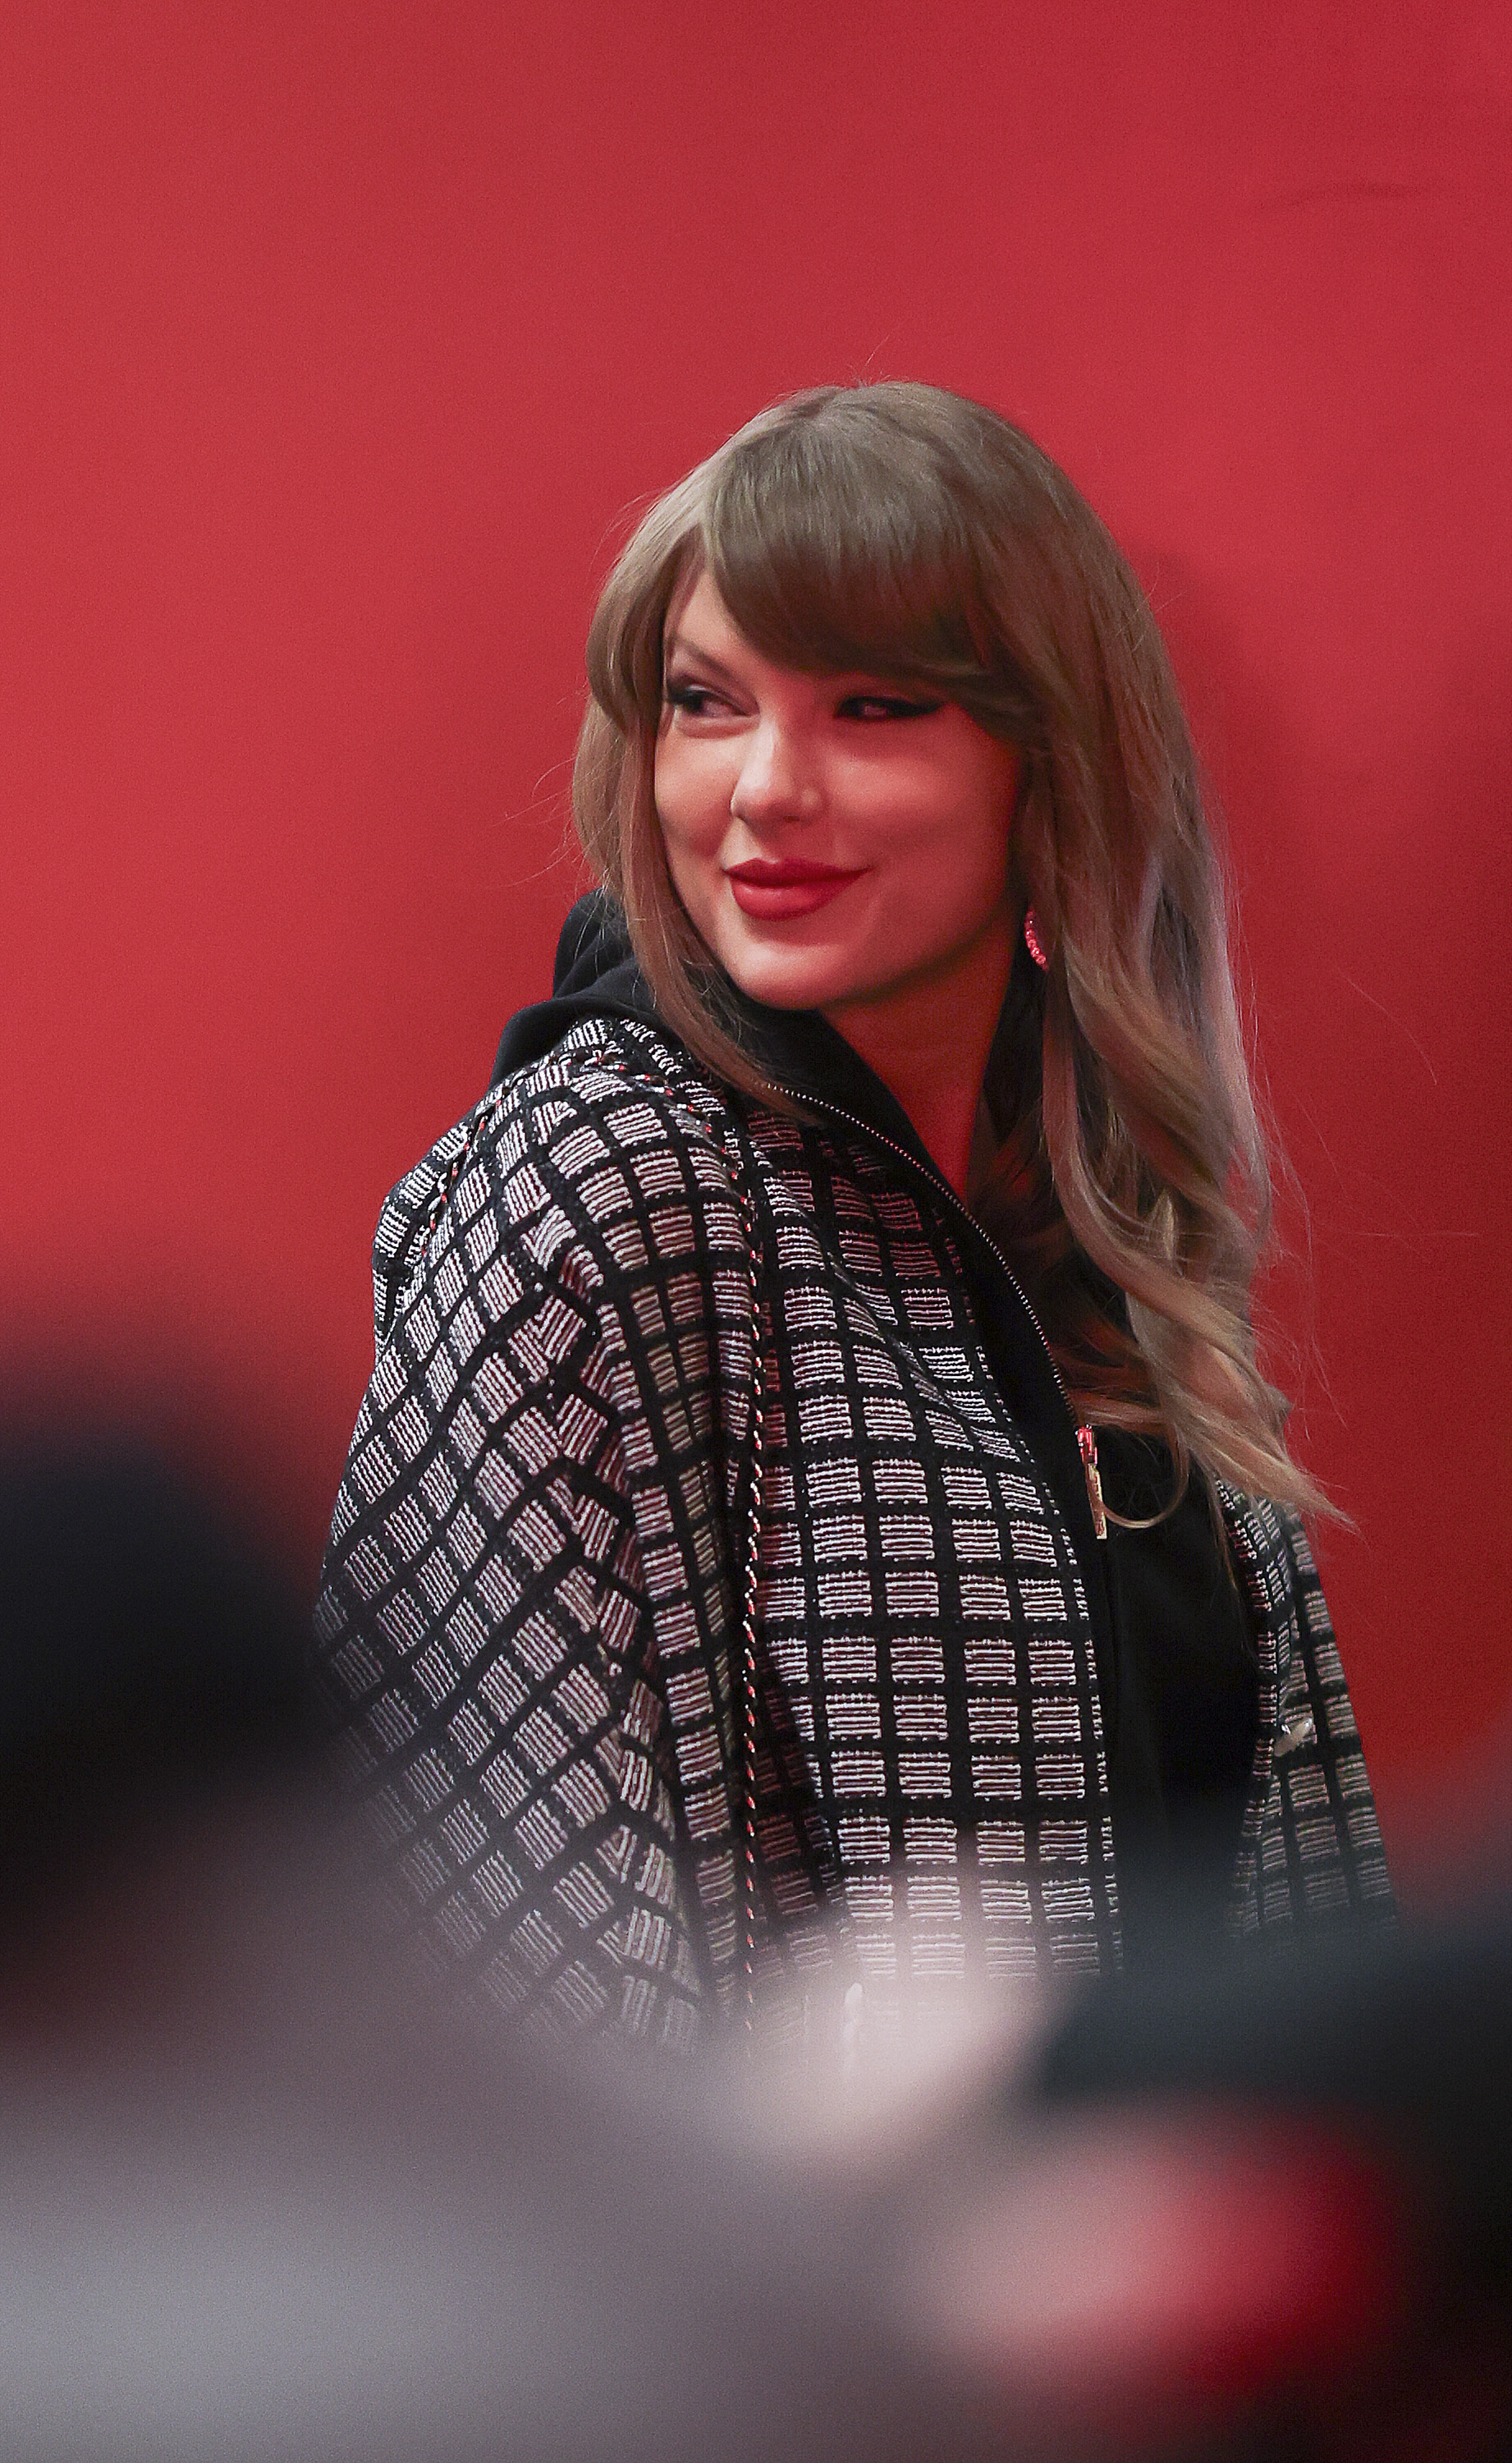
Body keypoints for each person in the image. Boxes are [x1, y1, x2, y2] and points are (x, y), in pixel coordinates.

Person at [314, 382, 1391, 2062]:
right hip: (793, 2308)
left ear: (1050, 759)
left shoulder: (1092, 1208)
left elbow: (1287, 1873)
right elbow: (499, 1946)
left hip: (1185, 2275)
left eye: (873, 709)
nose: (762, 792)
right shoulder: (593, 1184)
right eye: (703, 705)